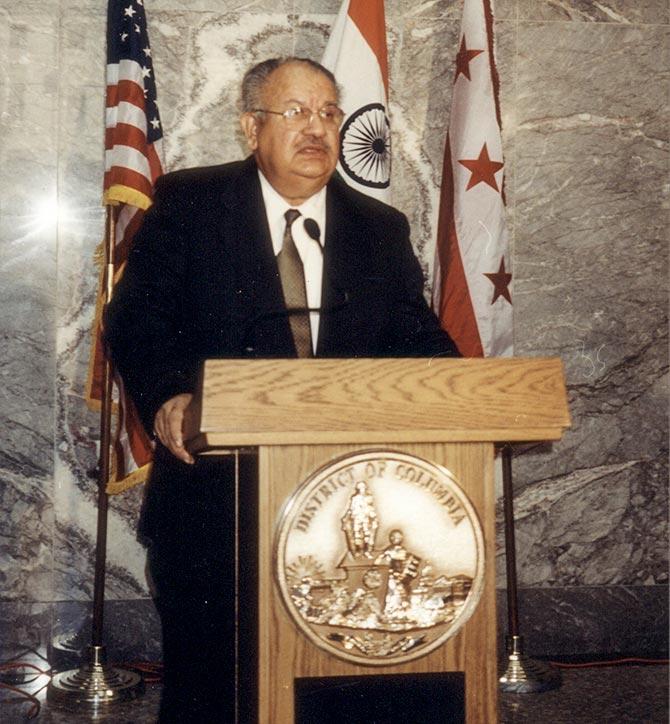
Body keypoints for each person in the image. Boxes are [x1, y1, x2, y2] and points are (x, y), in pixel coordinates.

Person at [104, 56, 460, 723]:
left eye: (329, 113)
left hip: (349, 518)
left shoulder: (379, 229)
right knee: (215, 698)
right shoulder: (190, 203)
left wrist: (465, 396)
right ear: (250, 127)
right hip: (216, 510)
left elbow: (420, 342)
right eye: (296, 112)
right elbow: (135, 319)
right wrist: (172, 396)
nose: (317, 130)